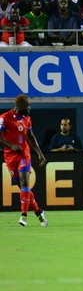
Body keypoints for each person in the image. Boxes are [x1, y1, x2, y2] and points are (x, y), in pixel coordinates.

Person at [0, 94, 48, 227]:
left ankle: (24, 215)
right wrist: (10, 145)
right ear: (19, 106)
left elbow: (31, 137)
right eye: (27, 106)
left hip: (24, 154)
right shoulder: (5, 118)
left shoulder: (27, 119)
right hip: (10, 157)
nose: (29, 108)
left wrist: (39, 153)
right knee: (22, 188)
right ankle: (39, 211)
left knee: (25, 181)